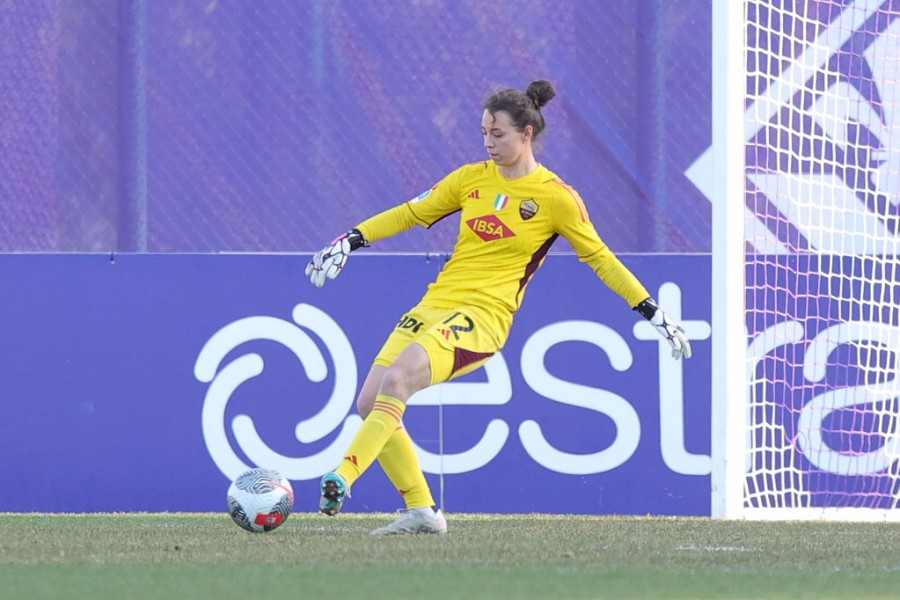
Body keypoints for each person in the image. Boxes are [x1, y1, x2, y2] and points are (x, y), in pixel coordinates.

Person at [305, 80, 691, 536]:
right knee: (371, 401)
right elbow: (411, 213)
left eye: (499, 134)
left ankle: (342, 477)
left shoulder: (556, 197)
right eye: (484, 132)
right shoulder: (471, 179)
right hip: (436, 303)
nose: (489, 142)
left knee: (397, 378)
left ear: (527, 133)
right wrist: (351, 239)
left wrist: (651, 310)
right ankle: (423, 512)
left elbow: (600, 258)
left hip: (484, 318)